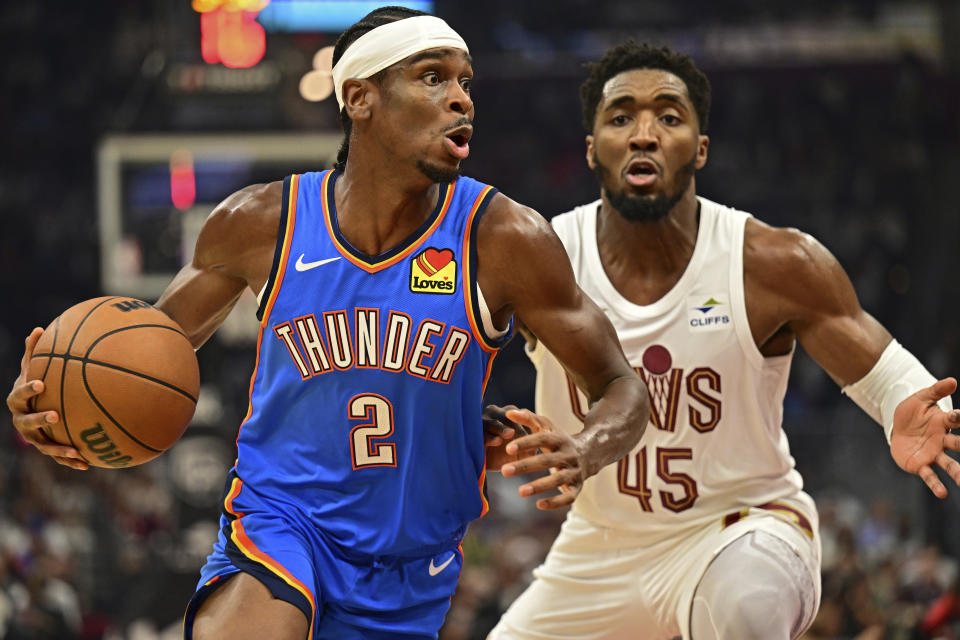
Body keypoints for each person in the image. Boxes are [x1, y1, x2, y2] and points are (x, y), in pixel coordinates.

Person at [5, 9, 651, 640]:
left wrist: (584, 448)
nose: (461, 100)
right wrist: (57, 409)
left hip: (411, 567)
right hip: (282, 525)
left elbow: (620, 384)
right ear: (360, 98)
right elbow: (143, 354)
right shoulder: (261, 222)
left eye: (465, 82)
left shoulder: (504, 238)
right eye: (433, 77)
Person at [487, 41, 960, 640]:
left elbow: (884, 369)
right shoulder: (545, 257)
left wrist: (908, 406)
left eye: (669, 115)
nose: (644, 133)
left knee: (744, 607)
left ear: (700, 148)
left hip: (745, 528)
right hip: (600, 547)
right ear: (592, 149)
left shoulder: (773, 261)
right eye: (621, 116)